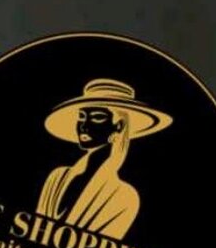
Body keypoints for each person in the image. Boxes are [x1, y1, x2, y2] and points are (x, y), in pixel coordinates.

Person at [36, 79, 172, 239]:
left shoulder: (124, 197)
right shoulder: (56, 177)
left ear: (119, 125)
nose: (84, 126)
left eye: (97, 117)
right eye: (81, 116)